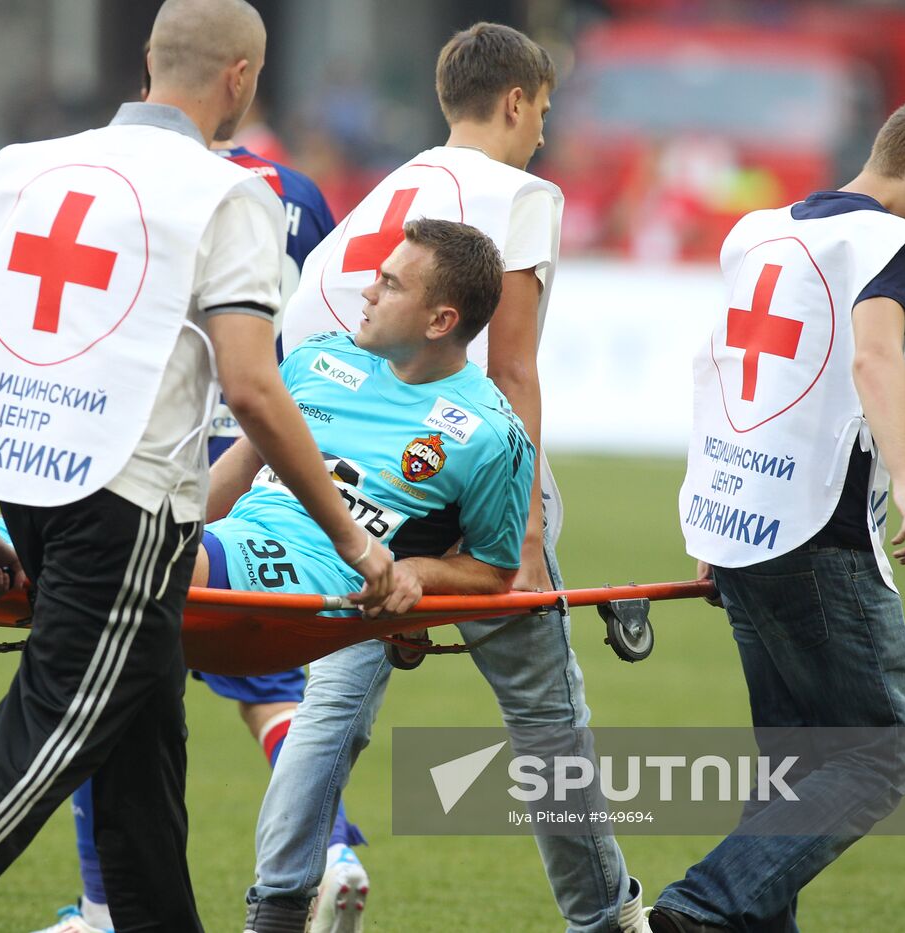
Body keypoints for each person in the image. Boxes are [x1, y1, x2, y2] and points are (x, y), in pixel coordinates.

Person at [0, 2, 393, 930]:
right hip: (128, 507)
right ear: (241, 79)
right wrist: (355, 542)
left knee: (140, 765)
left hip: (32, 484)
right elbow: (253, 386)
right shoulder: (234, 195)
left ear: (146, 62)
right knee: (53, 729)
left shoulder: (29, 167)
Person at [255, 22, 651, 933]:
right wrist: (529, 544)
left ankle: (273, 910)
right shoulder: (521, 192)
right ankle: (605, 919)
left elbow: (311, 342)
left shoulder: (384, 193)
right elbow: (511, 371)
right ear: (517, 101)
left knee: (331, 706)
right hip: (453, 467)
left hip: (344, 483)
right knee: (547, 713)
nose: (543, 131)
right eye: (543, 111)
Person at [654, 95, 905, 933]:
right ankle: (700, 908)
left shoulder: (760, 230)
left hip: (740, 517)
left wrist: (714, 512)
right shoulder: (888, 238)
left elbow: (721, 369)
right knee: (872, 758)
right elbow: (876, 355)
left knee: (793, 773)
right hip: (817, 528)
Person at [32, 55, 356, 933]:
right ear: (239, 84)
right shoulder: (294, 192)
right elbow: (318, 328)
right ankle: (332, 848)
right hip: (262, 460)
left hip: (158, 466)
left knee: (114, 686)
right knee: (268, 683)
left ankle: (102, 905)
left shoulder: (141, 187)